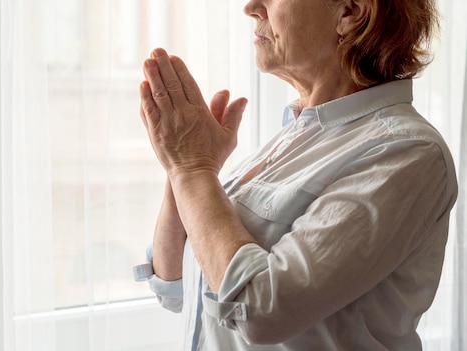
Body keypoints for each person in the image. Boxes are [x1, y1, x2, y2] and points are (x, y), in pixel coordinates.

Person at [132, 0, 458, 349]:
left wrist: (192, 169)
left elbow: (261, 312)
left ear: (350, 12)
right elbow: (174, 286)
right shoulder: (292, 138)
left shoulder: (406, 152)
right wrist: (183, 165)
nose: (251, 7)